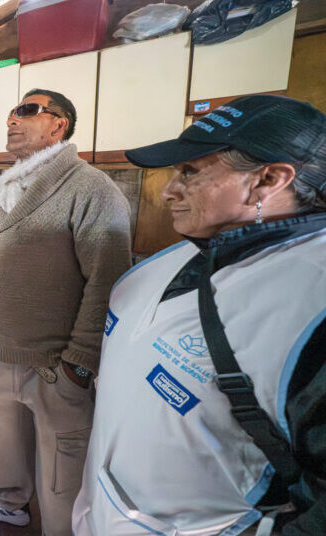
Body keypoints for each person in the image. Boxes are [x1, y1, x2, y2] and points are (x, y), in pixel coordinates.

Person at [72, 94, 326, 535]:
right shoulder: (168, 260)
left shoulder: (310, 308)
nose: (169, 190)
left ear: (268, 180)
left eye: (190, 172)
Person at [0, 89, 133, 535]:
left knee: (61, 481)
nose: (12, 119)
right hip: (2, 350)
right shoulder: (5, 186)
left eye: (27, 110)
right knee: (3, 448)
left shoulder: (92, 188)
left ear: (59, 124)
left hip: (57, 366)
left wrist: (79, 364)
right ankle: (4, 502)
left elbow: (108, 283)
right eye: (12, 112)